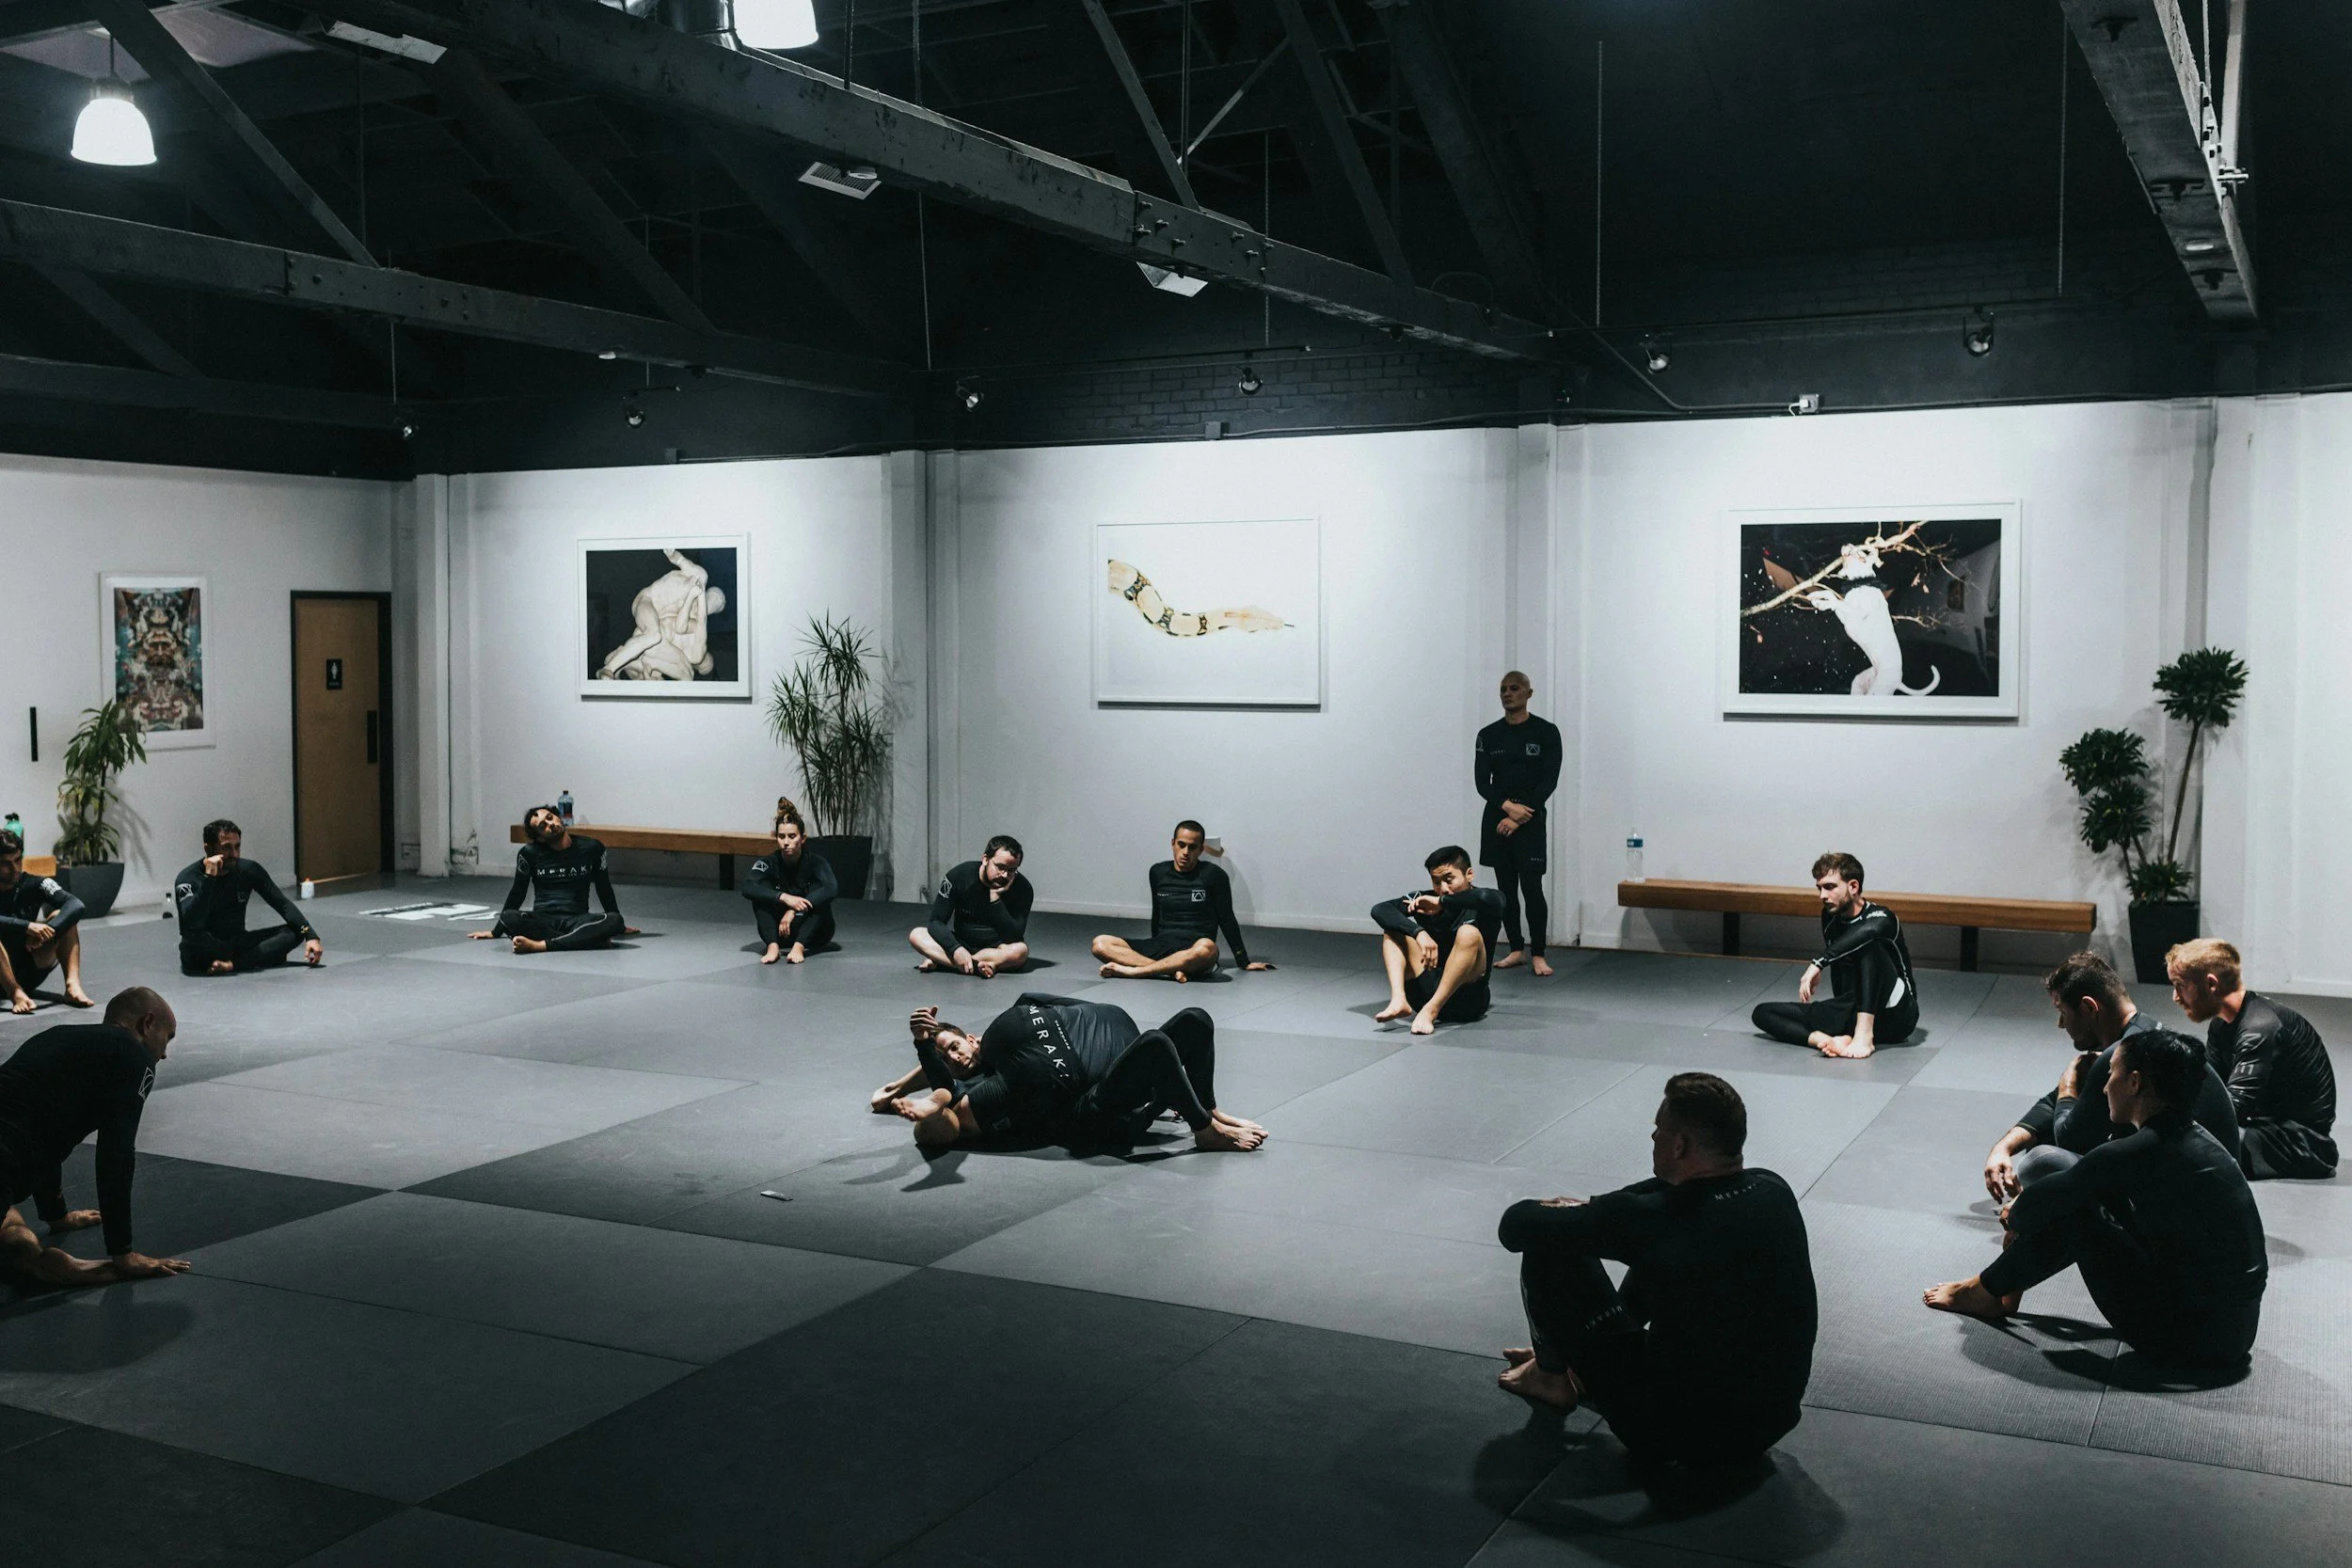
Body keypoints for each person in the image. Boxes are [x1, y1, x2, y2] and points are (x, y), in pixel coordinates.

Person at [1497, 1071, 1817, 1468]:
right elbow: (1656, 1203)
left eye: (1658, 1129)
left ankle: (1550, 1375)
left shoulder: (1657, 1221)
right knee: (1669, 1256)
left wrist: (1576, 1213)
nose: (1653, 1138)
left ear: (1680, 1146)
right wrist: (1597, 1212)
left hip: (1672, 1439)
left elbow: (1515, 1226)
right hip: (1767, 1426)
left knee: (1552, 1243)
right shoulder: (1773, 1189)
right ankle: (1579, 1365)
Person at [1927, 1027, 2266, 1377]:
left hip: (2186, 1345)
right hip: (2233, 1336)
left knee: (2073, 1210)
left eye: (2111, 1075)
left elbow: (2032, 1210)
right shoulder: (2194, 1141)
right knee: (2077, 1195)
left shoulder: (2140, 1150)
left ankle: (1984, 1290)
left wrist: (2017, 1217)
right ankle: (1993, 1288)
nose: (2104, 1087)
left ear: (2134, 1083)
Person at [1980, 951, 2239, 1203]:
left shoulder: (2125, 1055)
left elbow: (2070, 1138)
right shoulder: (2144, 1034)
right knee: (2051, 1136)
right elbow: (2054, 1103)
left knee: (2041, 1162)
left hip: (2187, 1195)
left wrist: (2069, 1086)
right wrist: (2003, 1148)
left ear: (2088, 1007)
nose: (2061, 1024)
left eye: (2063, 1012)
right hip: (2214, 1186)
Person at [870, 995, 1265, 1152]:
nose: (955, 1058)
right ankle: (1204, 1132)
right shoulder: (979, 1088)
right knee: (1156, 1043)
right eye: (947, 1058)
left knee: (1197, 1019)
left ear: (973, 1039)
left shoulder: (1005, 1035)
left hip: (1124, 1074)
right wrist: (921, 1066)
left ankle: (1208, 1109)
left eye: (956, 1046)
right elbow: (946, 1108)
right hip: (1105, 1113)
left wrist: (896, 1088)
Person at [0, 986, 191, 1289]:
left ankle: (34, 1259)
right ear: (147, 1023)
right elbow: (116, 1152)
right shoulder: (133, 1056)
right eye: (167, 1038)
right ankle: (34, 1262)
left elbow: (43, 1135)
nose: (165, 1053)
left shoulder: (59, 1036)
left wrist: (56, 1216)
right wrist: (122, 1252)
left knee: (10, 1221)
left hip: (9, 1169)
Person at [2168, 937, 2338, 1180]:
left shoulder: (2260, 1027)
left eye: (2180, 985)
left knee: (2186, 1145)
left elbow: (2230, 1109)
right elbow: (2210, 1088)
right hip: (2265, 1126)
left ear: (2211, 984)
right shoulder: (2221, 1024)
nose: (2175, 997)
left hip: (2305, 1144)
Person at [1750, 852, 1918, 1058]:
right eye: (1819, 888)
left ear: (1853, 887)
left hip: (1897, 1014)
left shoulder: (1883, 918)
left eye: (1829, 887)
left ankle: (1863, 1036)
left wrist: (1817, 964)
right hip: (1850, 1009)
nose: (1822, 895)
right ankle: (1825, 1039)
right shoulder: (1830, 917)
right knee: (1763, 1013)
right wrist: (1826, 1031)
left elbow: (1866, 933)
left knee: (1868, 945)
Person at [1090, 820, 1274, 982]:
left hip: (1193, 949)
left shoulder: (1214, 875)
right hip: (1161, 945)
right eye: (1181, 844)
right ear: (1173, 844)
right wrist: (1156, 942)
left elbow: (1226, 918)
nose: (1186, 852)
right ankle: (1169, 971)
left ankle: (1136, 972)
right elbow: (1157, 913)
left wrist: (1243, 961)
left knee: (1208, 948)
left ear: (1201, 850)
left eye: (1192, 847)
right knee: (1100, 944)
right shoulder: (1158, 872)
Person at [1475, 671, 1564, 977]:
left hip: (1531, 819)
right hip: (1498, 818)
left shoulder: (1546, 732)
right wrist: (1506, 808)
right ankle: (1516, 949)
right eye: (1503, 689)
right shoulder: (1488, 735)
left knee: (1531, 886)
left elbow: (1548, 781)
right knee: (1506, 889)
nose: (1507, 693)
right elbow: (1482, 783)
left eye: (1514, 688)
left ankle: (1538, 953)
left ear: (1529, 693)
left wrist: (1521, 814)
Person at [1373, 846, 1503, 1035]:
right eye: (1436, 882)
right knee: (1393, 931)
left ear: (1469, 874)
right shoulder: (1424, 900)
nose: (1443, 889)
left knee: (1468, 933)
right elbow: (1380, 909)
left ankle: (1431, 1010)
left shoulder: (1485, 902)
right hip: (1424, 992)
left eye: (1449, 880)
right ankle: (1399, 1000)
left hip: (1468, 1001)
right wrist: (1419, 932)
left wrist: (1442, 902)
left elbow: (1491, 899)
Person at [174, 819, 323, 977]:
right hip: (203, 949)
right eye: (226, 848)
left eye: (237, 847)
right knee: (194, 940)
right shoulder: (187, 878)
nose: (234, 854)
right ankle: (252, 960)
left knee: (296, 930)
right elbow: (191, 923)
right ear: (208, 848)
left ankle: (232, 965)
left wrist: (310, 935)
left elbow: (282, 903)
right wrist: (209, 878)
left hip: (236, 943)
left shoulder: (248, 870)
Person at [469, 805, 626, 953]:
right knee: (508, 917)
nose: (550, 824)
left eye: (550, 817)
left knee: (615, 921)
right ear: (540, 838)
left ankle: (541, 945)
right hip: (543, 920)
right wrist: (496, 931)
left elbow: (603, 886)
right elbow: (518, 892)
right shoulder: (529, 853)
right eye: (542, 826)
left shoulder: (593, 847)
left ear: (558, 816)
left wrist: (621, 927)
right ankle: (585, 940)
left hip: (578, 919)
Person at [910, 836, 1033, 976]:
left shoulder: (1023, 888)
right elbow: (936, 921)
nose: (1005, 875)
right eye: (1000, 867)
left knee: (1020, 951)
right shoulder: (958, 876)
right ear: (986, 859)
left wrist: (995, 900)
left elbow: (1014, 936)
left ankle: (947, 963)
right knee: (917, 935)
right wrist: (956, 949)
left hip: (995, 948)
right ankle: (979, 966)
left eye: (1012, 870)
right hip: (961, 942)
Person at [596, 546, 724, 682]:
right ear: (709, 593)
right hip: (647, 601)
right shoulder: (698, 579)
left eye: (716, 606)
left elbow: (691, 625)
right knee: (654, 635)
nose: (714, 604)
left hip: (653, 631)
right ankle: (610, 668)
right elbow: (678, 559)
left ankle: (621, 661)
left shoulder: (693, 621)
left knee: (657, 648)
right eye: (716, 599)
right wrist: (673, 554)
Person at [0, 830, 92, 1012]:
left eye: (18, 860)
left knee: (63, 915)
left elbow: (76, 904)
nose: (15, 869)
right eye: (5, 864)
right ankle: (15, 992)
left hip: (29, 968)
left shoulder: (34, 883)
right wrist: (27, 927)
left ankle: (72, 985)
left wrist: (47, 930)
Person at [744, 801, 837, 965]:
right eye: (781, 837)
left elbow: (831, 888)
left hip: (816, 932)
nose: (786, 842)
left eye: (792, 836)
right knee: (761, 889)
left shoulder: (817, 863)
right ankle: (772, 947)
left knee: (819, 890)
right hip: (781, 932)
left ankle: (799, 947)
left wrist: (794, 909)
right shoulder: (769, 862)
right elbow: (748, 886)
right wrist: (784, 897)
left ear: (802, 839)